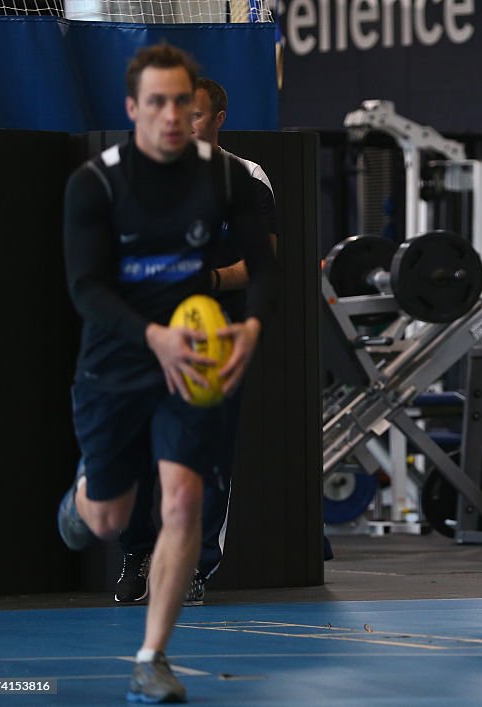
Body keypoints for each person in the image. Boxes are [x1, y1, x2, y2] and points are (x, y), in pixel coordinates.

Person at [57, 44, 278, 703]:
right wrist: (152, 333)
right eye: (157, 101)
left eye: (183, 100)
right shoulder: (95, 184)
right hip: (118, 357)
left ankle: (152, 656)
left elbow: (263, 267)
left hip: (194, 359)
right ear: (133, 110)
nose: (172, 113)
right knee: (106, 517)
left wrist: (252, 325)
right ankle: (84, 496)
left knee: (183, 499)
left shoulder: (230, 179)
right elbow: (86, 288)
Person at [113, 77, 278, 607]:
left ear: (219, 118)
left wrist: (207, 282)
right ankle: (138, 554)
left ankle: (193, 565)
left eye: (197, 115)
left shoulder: (247, 179)